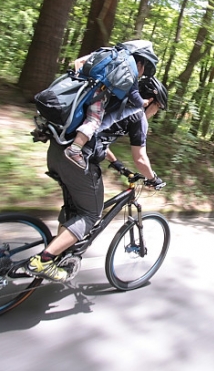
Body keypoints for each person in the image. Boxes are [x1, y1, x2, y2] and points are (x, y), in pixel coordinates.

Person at [26, 76, 168, 282]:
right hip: (76, 161)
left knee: (75, 210)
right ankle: (43, 261)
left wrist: (116, 163)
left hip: (58, 152)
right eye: (158, 108)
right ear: (151, 101)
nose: (155, 113)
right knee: (92, 214)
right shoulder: (138, 115)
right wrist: (153, 179)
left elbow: (100, 136)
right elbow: (140, 158)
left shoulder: (113, 103)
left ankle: (60, 253)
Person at [64, 44, 159, 169]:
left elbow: (79, 61)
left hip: (79, 85)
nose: (142, 74)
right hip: (98, 93)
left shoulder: (111, 55)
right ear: (140, 63)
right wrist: (143, 103)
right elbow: (134, 95)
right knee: (93, 121)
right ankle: (74, 150)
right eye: (144, 69)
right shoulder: (131, 70)